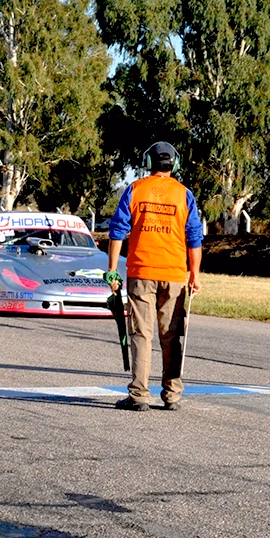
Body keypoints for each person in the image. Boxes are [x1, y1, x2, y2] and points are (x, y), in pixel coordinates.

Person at [105, 142, 204, 412]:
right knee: (171, 335)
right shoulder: (184, 195)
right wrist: (194, 274)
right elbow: (194, 237)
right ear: (175, 164)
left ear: (148, 162)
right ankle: (172, 395)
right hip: (173, 274)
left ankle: (139, 395)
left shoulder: (135, 190)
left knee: (141, 334)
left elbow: (117, 232)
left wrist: (112, 270)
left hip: (141, 272)